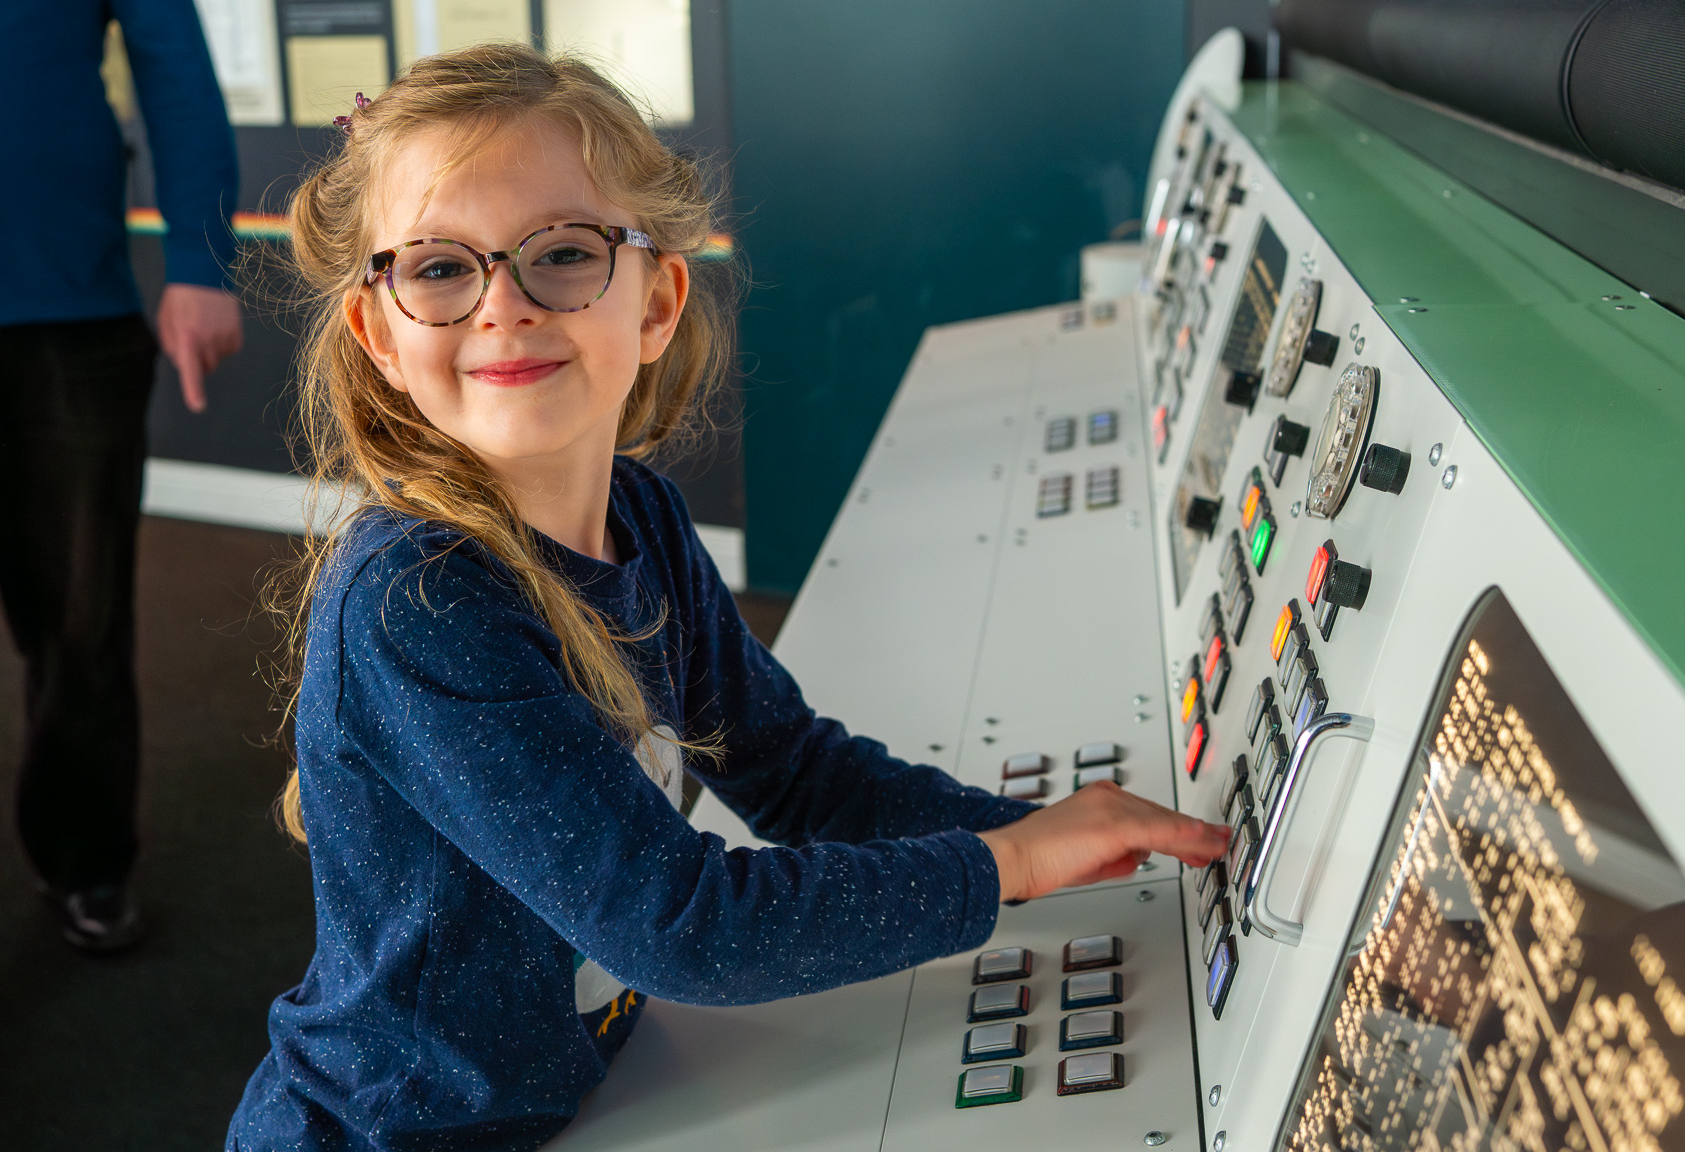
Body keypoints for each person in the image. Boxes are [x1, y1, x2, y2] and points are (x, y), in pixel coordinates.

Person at [225, 44, 1228, 1151]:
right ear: (378, 335)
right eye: (438, 268)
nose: (502, 306)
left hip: (570, 1095)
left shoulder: (638, 517)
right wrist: (1012, 866)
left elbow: (795, 773)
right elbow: (681, 927)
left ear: (656, 302)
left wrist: (1035, 834)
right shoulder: (415, 605)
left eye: (562, 254)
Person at [0, 2, 241, 1056]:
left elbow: (174, 61)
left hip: (65, 316)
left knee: (78, 628)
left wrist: (201, 262)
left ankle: (85, 860)